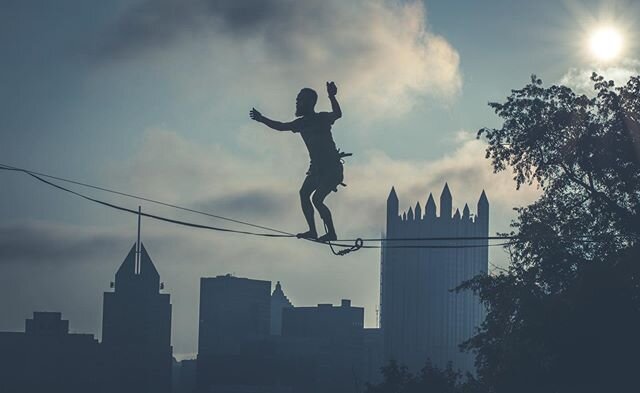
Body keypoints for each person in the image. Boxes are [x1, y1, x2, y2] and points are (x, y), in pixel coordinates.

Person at [250, 82, 345, 242]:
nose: (297, 103)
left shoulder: (321, 118)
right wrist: (262, 119)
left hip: (331, 169)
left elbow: (337, 114)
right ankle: (313, 231)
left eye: (299, 100)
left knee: (317, 199)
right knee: (304, 194)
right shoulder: (301, 123)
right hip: (317, 170)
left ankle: (332, 233)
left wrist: (332, 97)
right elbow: (280, 126)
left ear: (308, 103)